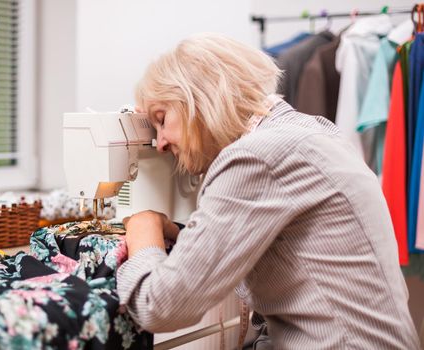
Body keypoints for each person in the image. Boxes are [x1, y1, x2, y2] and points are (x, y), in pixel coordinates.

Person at [116, 33, 421, 349]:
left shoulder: (255, 156)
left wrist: (144, 226)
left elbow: (161, 307)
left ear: (198, 100)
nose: (161, 143)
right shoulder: (310, 130)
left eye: (162, 120)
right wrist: (181, 234)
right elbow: (284, 251)